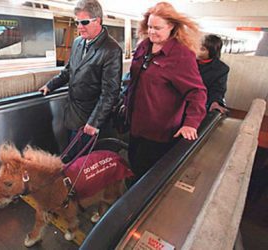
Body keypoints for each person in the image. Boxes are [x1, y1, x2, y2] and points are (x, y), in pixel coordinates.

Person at [124, 2, 207, 181]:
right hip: (136, 124)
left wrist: (191, 123)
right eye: (150, 27)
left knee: (147, 175)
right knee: (133, 163)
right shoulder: (144, 46)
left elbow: (197, 92)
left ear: (171, 26)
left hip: (158, 132)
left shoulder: (181, 55)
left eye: (157, 28)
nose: (152, 31)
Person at [39, 0, 122, 141]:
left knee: (83, 160)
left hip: (90, 119)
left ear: (98, 21)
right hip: (72, 114)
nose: (79, 27)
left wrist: (94, 122)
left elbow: (110, 93)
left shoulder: (112, 50)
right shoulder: (78, 42)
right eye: (77, 22)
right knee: (73, 156)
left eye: (84, 22)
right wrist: (50, 85)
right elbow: (69, 70)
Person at [198, 34, 230, 113]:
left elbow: (217, 90)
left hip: (201, 101)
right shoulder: (187, 60)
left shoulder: (221, 69)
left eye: (202, 49)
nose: (197, 51)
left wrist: (215, 103)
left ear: (212, 51)